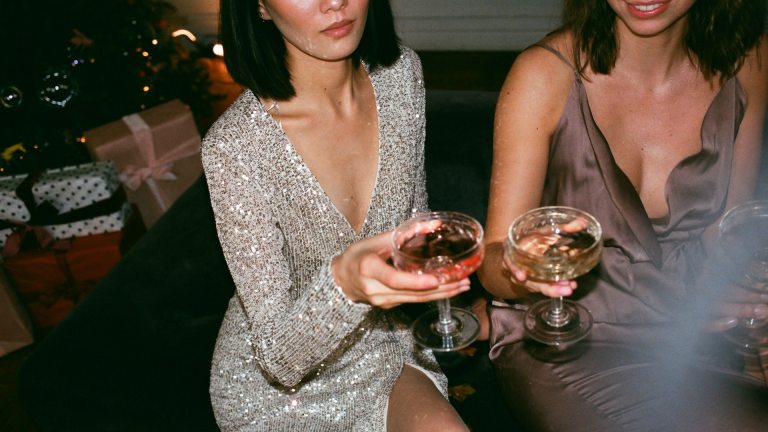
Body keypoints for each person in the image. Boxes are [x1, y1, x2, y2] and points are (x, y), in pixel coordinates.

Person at [477, 0, 768, 431]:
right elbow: (490, 263)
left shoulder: (750, 60)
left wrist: (750, 312)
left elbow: (728, 234)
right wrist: (520, 266)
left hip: (694, 333)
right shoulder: (543, 75)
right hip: (566, 339)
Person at [202, 0, 469, 430]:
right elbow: (278, 360)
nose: (335, 2)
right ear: (260, 8)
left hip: (389, 342)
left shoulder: (402, 75)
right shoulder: (233, 148)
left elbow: (414, 223)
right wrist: (345, 283)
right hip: (281, 395)